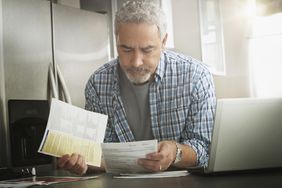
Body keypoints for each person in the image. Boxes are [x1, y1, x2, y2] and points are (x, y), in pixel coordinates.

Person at [57, 0, 216, 175]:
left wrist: (176, 152)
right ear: (116, 40)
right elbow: (101, 153)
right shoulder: (98, 84)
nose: (136, 62)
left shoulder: (196, 76)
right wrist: (84, 162)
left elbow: (204, 150)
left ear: (163, 41)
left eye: (147, 50)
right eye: (126, 49)